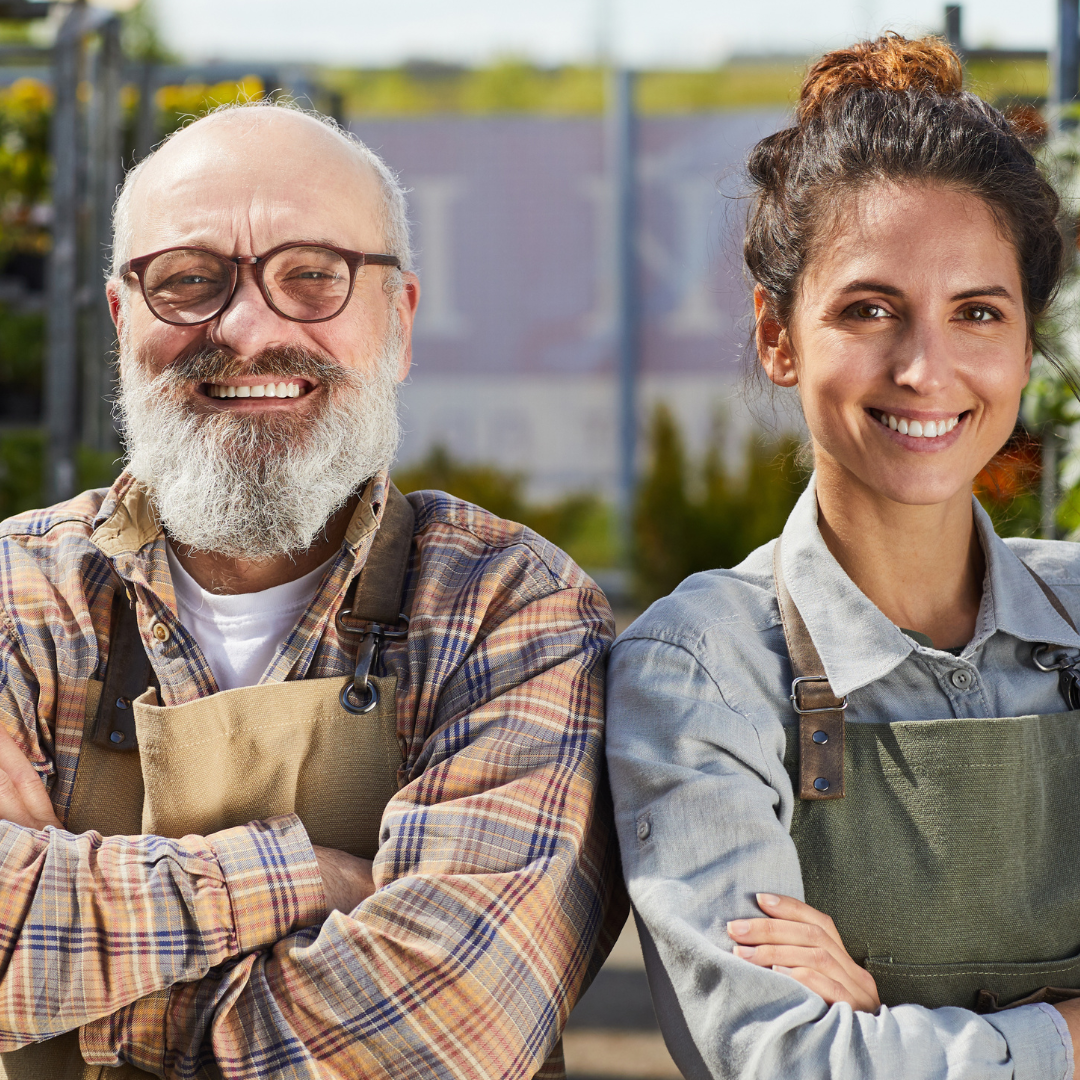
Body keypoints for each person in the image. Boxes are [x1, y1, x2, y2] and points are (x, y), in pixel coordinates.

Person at [0, 102, 624, 1079]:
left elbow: (437, 1039)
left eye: (311, 276)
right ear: (122, 322)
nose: (247, 330)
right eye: (189, 282)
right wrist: (302, 877)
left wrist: (61, 987)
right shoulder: (16, 594)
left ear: (400, 320)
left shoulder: (511, 612)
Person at [606, 34, 1080, 1080]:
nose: (924, 367)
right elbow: (787, 1063)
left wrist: (885, 1021)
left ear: (1022, 341)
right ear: (779, 336)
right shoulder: (702, 669)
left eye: (977, 313)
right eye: (869, 310)